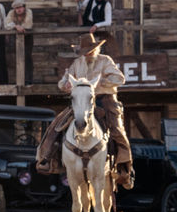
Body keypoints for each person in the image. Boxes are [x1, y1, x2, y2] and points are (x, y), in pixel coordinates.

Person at [35, 34, 132, 187]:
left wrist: (101, 82)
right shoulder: (77, 63)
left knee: (117, 129)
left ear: (96, 49)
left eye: (90, 51)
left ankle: (124, 169)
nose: (87, 54)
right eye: (85, 52)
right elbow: (63, 82)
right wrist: (66, 85)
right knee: (57, 124)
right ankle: (47, 159)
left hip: (104, 99)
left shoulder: (105, 61)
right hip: (81, 101)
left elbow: (120, 79)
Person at [5, 0, 34, 85]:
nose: (19, 9)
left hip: (27, 37)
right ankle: (19, 80)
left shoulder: (28, 12)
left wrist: (19, 27)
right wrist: (16, 26)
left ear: (24, 7)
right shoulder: (11, 13)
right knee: (16, 58)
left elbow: (28, 24)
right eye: (16, 8)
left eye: (20, 7)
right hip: (15, 37)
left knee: (27, 58)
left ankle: (28, 80)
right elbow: (7, 24)